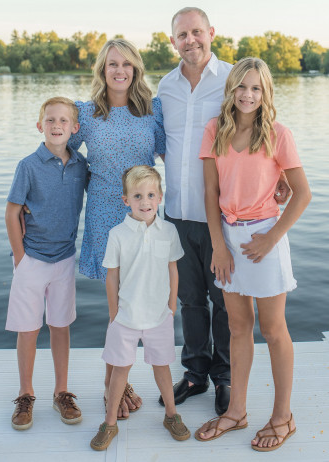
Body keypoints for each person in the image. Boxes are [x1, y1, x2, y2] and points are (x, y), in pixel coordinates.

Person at [157, 6, 289, 416]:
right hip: (177, 210)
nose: (190, 40)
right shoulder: (164, 86)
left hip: (223, 215)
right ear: (173, 40)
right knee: (190, 299)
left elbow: (265, 123)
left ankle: (225, 377)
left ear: (211, 33)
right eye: (182, 35)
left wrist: (280, 176)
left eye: (197, 32)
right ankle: (195, 371)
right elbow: (161, 142)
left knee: (225, 298)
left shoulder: (235, 79)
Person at [195, 57, 311, 451]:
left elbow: (301, 193)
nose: (247, 94)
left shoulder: (278, 134)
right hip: (227, 238)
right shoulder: (215, 130)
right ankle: (237, 412)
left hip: (264, 239)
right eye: (241, 87)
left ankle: (284, 417)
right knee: (238, 327)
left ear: (265, 93)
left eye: (256, 88)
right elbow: (210, 193)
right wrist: (218, 246)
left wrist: (271, 238)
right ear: (231, 90)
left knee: (273, 330)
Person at [68, 38, 166, 419]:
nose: (119, 70)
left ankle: (117, 385)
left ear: (136, 69)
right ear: (102, 69)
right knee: (117, 309)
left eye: (126, 64)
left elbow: (172, 154)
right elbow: (62, 147)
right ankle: (117, 387)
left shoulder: (151, 110)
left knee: (135, 301)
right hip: (104, 216)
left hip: (141, 216)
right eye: (112, 64)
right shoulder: (87, 113)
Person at [90, 165, 190, 451]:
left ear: (159, 197)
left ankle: (171, 415)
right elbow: (112, 276)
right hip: (126, 316)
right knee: (121, 368)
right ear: (126, 200)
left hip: (159, 315)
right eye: (137, 196)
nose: (144, 202)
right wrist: (114, 313)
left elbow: (173, 270)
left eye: (150, 195)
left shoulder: (168, 231)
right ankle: (109, 423)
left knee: (163, 366)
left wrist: (171, 307)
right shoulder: (118, 234)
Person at [5, 97, 88, 430]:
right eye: (50, 120)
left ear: (74, 128)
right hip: (32, 260)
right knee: (28, 329)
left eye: (64, 121)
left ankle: (61, 392)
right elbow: (13, 212)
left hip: (65, 258)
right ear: (40, 126)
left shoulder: (81, 164)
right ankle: (25, 395)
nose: (57, 126)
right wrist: (20, 259)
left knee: (60, 326)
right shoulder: (28, 165)